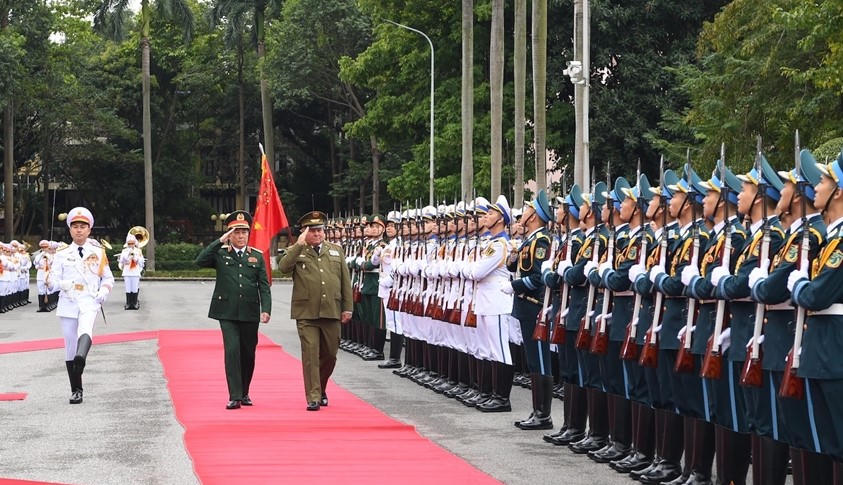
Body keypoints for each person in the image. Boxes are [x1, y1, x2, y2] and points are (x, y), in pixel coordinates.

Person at [195, 210, 271, 410]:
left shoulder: (256, 256)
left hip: (250, 311)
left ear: (248, 234)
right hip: (226, 311)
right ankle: (234, 395)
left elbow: (263, 285)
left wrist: (266, 309)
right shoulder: (221, 253)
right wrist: (219, 241)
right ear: (230, 234)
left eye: (244, 232)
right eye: (236, 232)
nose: (240, 236)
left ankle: (245, 391)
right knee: (232, 351)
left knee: (248, 353)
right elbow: (200, 261)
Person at [278, 210, 353, 411]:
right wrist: (299, 244)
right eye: (312, 230)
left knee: (330, 354)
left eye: (320, 230)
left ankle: (321, 388)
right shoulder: (297, 250)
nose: (317, 234)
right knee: (311, 354)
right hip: (306, 313)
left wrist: (348, 308)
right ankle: (313, 396)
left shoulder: (336, 250)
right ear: (304, 232)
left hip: (331, 310)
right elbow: (283, 267)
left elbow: (345, 281)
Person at [46, 207, 114, 404]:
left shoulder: (98, 252)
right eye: (75, 226)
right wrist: (60, 284)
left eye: (83, 226)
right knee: (69, 344)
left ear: (89, 229)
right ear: (70, 230)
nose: (79, 230)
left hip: (89, 300)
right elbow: (51, 281)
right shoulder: (61, 253)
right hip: (68, 301)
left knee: (85, 330)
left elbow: (108, 278)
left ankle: (81, 359)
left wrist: (103, 292)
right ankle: (76, 389)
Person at [118, 234, 145, 310]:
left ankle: (135, 303)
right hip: (127, 272)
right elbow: (121, 261)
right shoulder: (124, 251)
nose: (131, 245)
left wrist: (135, 257)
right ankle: (128, 303)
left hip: (135, 271)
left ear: (135, 243)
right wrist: (128, 256)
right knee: (128, 288)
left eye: (132, 243)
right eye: (129, 243)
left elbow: (141, 261)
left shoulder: (138, 250)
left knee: (135, 287)